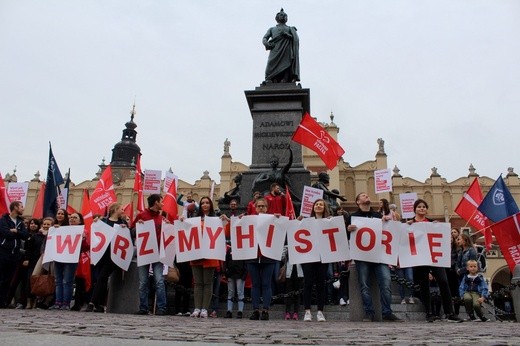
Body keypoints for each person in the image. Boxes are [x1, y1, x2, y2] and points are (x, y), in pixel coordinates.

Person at [345, 193, 402, 322]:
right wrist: (348, 230)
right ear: (358, 201)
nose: (367, 196)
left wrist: (388, 223)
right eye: (364, 196)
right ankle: (369, 312)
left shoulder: (378, 216)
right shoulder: (352, 217)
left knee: (386, 283)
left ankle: (387, 312)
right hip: (362, 256)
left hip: (380, 256)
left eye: (367, 195)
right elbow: (347, 238)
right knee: (364, 285)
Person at [409, 199, 462, 323]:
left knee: (443, 281)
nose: (422, 208)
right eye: (419, 207)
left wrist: (441, 229)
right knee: (424, 284)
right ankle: (429, 312)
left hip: (435, 256)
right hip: (420, 257)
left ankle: (450, 312)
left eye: (424, 206)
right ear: (415, 209)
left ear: (427, 209)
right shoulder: (410, 224)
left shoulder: (433, 223)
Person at [184, 196, 222, 318]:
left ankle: (204, 308)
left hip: (210, 255)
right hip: (196, 254)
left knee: (207, 283)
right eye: (202, 203)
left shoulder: (216, 219)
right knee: (198, 283)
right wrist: (181, 221)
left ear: (211, 205)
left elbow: (224, 233)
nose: (205, 205)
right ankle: (197, 308)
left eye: (207, 203)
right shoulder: (194, 220)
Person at [87, 203, 128, 313]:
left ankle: (92, 303)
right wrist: (95, 223)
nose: (123, 210)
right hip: (102, 254)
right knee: (101, 279)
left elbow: (127, 237)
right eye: (121, 208)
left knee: (102, 277)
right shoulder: (104, 221)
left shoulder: (123, 223)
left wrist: (125, 228)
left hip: (113, 255)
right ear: (115, 209)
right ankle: (99, 304)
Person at [132, 194, 167, 315]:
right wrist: (138, 226)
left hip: (158, 253)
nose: (163, 204)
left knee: (159, 281)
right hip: (145, 252)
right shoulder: (142, 215)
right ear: (156, 202)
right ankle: (143, 308)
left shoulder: (162, 218)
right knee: (143, 282)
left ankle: (161, 308)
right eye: (161, 201)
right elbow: (132, 231)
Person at [299, 199, 330, 322]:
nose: (318, 206)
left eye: (321, 204)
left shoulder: (329, 221)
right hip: (309, 256)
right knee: (308, 283)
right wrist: (298, 222)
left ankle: (320, 311)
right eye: (316, 204)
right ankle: (307, 311)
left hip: (323, 256)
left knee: (321, 284)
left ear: (324, 207)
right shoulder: (306, 221)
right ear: (313, 207)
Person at [246, 197, 277, 320]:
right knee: (255, 284)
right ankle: (255, 310)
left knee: (266, 284)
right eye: (258, 206)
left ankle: (265, 310)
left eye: (263, 206)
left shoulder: (273, 219)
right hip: (252, 255)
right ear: (255, 207)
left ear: (267, 207)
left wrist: (278, 220)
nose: (261, 208)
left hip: (268, 255)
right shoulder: (249, 220)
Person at [50, 212, 86, 311]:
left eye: (75, 217)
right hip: (59, 257)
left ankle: (66, 303)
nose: (72, 219)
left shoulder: (82, 231)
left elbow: (86, 247)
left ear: (80, 221)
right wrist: (55, 230)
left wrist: (83, 239)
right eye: (71, 217)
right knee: (58, 281)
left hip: (71, 259)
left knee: (67, 281)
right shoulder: (62, 228)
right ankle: (58, 302)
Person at [0, 201, 29, 308]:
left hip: (14, 255)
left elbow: (25, 235)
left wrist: (16, 231)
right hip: (3, 252)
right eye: (21, 206)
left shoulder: (20, 222)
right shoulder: (4, 220)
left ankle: (2, 302)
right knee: (1, 278)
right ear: (15, 207)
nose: (23, 208)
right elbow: (5, 233)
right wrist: (15, 233)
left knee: (8, 280)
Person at [262, 8, 300, 83]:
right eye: (281, 15)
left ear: (286, 18)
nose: (282, 16)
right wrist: (266, 43)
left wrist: (287, 35)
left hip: (286, 49)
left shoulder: (290, 29)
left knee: (286, 64)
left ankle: (285, 79)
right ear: (276, 18)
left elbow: (295, 39)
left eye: (284, 15)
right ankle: (270, 78)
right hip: (275, 49)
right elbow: (265, 38)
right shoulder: (272, 29)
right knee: (270, 64)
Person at [223, 242, 247, 319]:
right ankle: (229, 310)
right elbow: (226, 261)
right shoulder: (230, 250)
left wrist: (244, 275)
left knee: (240, 292)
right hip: (230, 274)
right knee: (230, 292)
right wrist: (225, 273)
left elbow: (246, 263)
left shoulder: (244, 250)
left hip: (240, 274)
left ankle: (240, 311)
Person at [280, 245, 303, 320]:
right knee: (288, 292)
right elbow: (282, 257)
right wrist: (286, 251)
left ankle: (296, 312)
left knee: (297, 293)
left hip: (299, 271)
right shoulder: (288, 245)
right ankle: (287, 312)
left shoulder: (303, 244)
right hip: (289, 271)